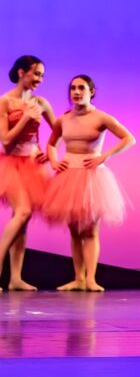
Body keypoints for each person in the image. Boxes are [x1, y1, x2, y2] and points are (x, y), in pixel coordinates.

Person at [43, 75, 136, 292]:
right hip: (68, 177)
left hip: (91, 178)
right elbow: (51, 144)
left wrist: (105, 156)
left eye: (81, 88)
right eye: (73, 88)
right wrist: (54, 161)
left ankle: (91, 279)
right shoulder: (63, 119)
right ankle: (78, 278)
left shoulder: (101, 117)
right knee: (74, 231)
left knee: (91, 230)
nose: (76, 92)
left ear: (91, 92)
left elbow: (129, 138)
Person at [0, 55, 56, 292]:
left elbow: (59, 130)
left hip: (33, 164)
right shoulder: (5, 102)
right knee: (22, 212)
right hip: (11, 163)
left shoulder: (40, 102)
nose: (39, 79)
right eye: (36, 73)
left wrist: (49, 153)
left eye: (42, 75)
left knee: (22, 220)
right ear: (21, 72)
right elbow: (6, 141)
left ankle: (15, 278)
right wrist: (25, 118)